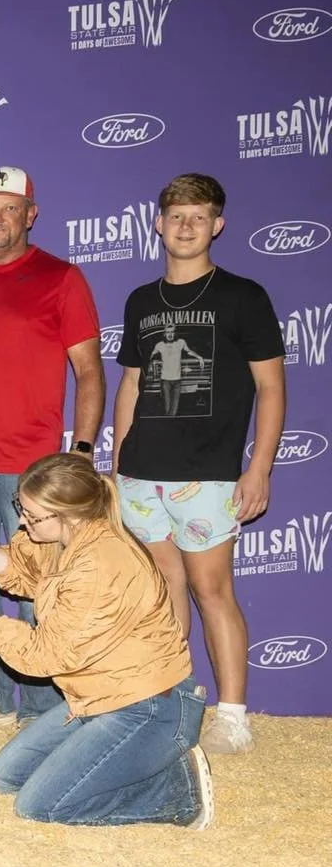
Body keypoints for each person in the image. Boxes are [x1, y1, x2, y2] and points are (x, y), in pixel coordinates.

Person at [0, 453, 215, 830]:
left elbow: (43, 656)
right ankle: (143, 761)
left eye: (31, 515)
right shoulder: (64, 535)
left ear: (68, 513)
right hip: (95, 697)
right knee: (6, 776)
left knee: (40, 806)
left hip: (147, 705)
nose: (21, 520)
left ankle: (178, 790)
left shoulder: (99, 565)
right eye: (22, 508)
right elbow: (22, 572)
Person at [113, 173, 285, 755]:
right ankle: (172, 700)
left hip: (209, 474)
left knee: (213, 590)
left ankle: (232, 714)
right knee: (163, 589)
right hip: (141, 474)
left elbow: (271, 389)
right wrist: (117, 468)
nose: (186, 226)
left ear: (218, 225)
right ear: (158, 224)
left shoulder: (243, 296)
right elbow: (131, 385)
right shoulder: (141, 301)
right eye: (175, 216)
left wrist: (259, 467)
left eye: (198, 216)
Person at [0, 166, 105, 729]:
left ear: (31, 215)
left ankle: (42, 706)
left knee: (43, 587)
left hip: (33, 468)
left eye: (10, 208)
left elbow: (88, 371)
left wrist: (81, 451)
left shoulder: (62, 278)